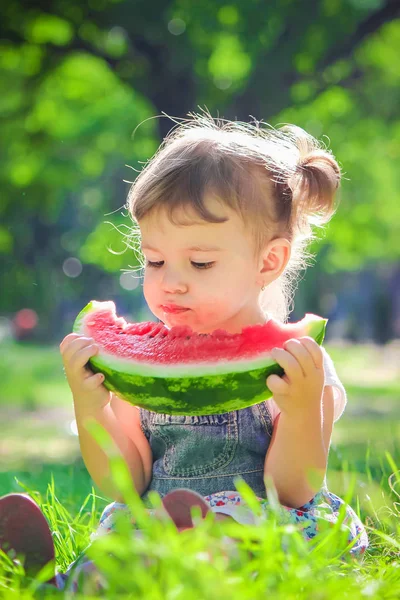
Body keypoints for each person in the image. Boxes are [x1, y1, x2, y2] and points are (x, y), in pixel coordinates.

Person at [0, 113, 369, 591]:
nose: (171, 281)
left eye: (199, 262)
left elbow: (294, 490)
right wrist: (91, 409)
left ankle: (169, 556)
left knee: (228, 544)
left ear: (268, 260)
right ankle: (54, 581)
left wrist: (301, 412)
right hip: (156, 517)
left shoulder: (299, 364)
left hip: (257, 522)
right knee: (126, 544)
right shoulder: (139, 372)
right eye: (154, 260)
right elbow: (126, 482)